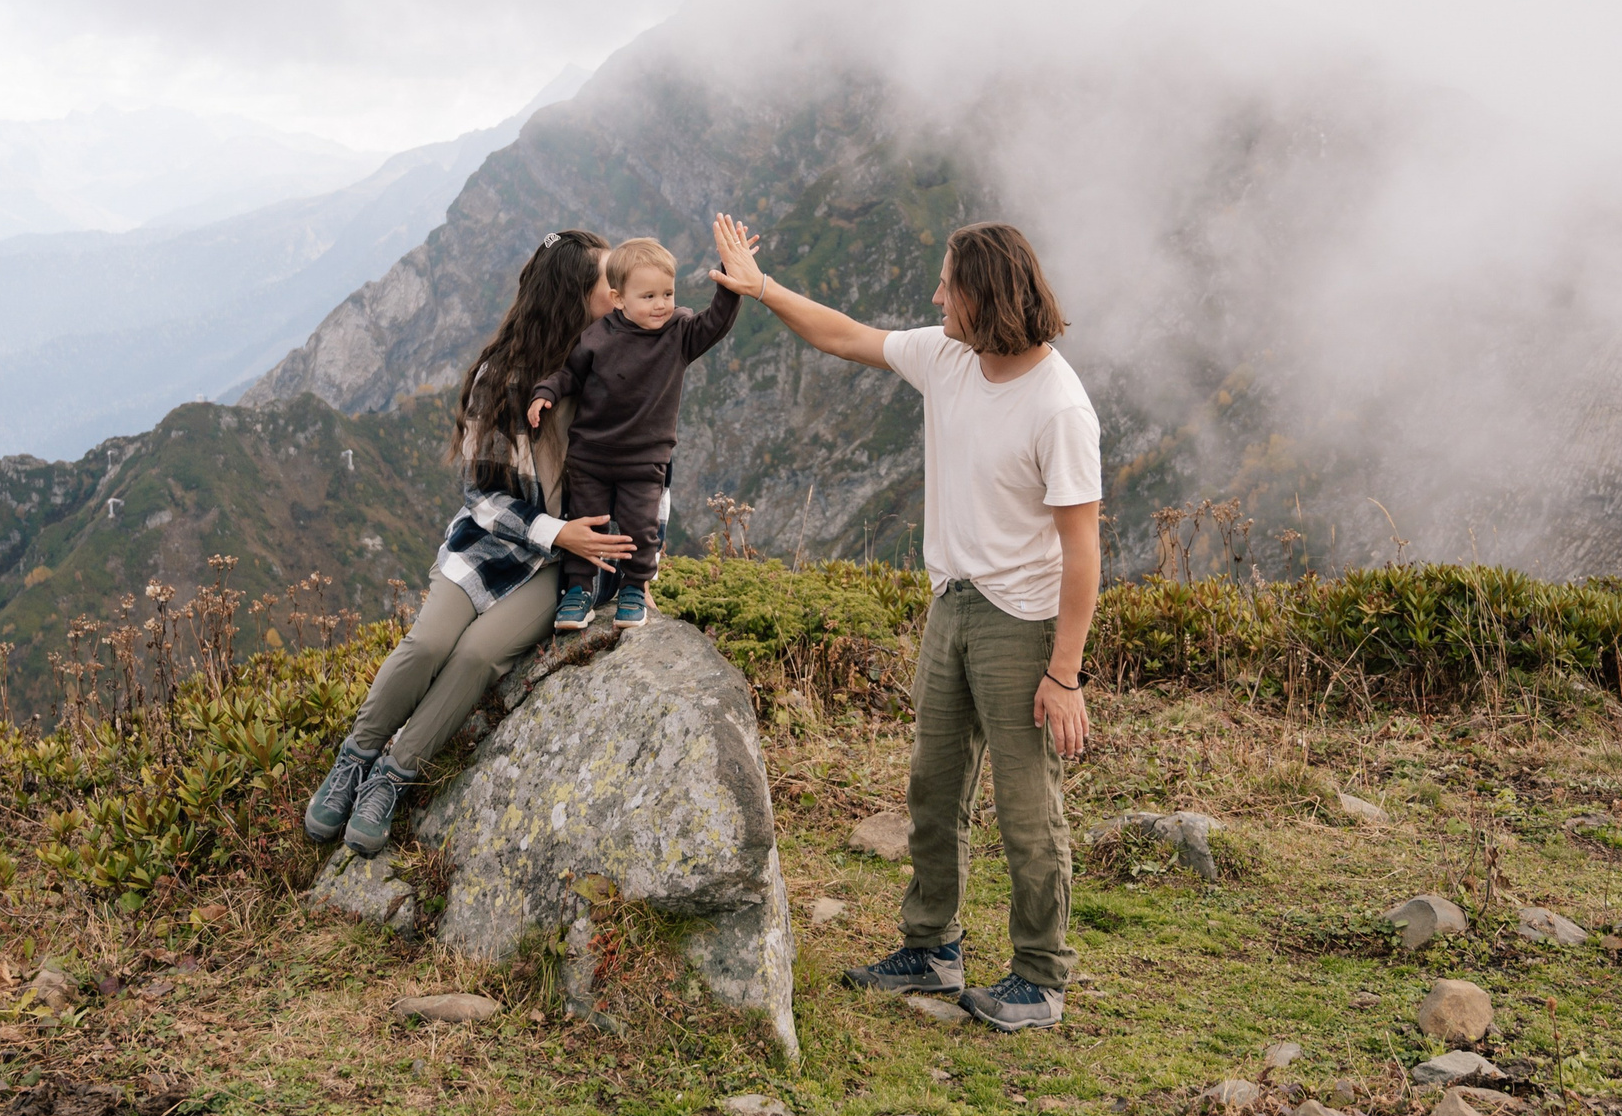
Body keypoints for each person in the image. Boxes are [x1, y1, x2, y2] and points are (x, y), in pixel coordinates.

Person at [709, 214, 1102, 1031]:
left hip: (1019, 621)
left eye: (947, 284)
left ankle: (1040, 975)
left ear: (984, 294)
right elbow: (845, 337)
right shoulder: (949, 357)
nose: (934, 296)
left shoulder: (1058, 406)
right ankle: (931, 949)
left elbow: (1083, 552)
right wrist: (762, 287)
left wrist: (1064, 674)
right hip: (951, 605)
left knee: (1027, 807)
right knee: (933, 789)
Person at [303, 228, 638, 857]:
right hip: (492, 544)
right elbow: (482, 496)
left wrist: (619, 545)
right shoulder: (501, 375)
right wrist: (551, 527)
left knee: (479, 654)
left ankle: (393, 775)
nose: (618, 293)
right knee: (429, 641)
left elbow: (648, 453)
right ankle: (355, 756)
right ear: (573, 295)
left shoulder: (617, 364)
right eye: (606, 283)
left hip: (568, 562)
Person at [526, 236, 741, 632]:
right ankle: (578, 592)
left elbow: (717, 321)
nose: (661, 304)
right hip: (590, 456)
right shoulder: (597, 337)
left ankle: (634, 589)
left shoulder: (679, 334)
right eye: (648, 296)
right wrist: (546, 392)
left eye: (668, 293)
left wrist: (729, 278)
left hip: (644, 460)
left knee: (640, 528)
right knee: (586, 522)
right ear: (619, 298)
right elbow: (570, 375)